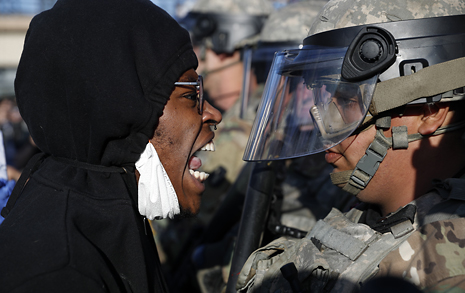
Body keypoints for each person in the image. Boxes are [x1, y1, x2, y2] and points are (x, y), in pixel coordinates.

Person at [235, 0, 465, 292]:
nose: (324, 125)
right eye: (325, 96)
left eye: (346, 99)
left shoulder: (447, 265)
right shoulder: (363, 212)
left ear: (431, 110)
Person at [0, 0, 222, 292]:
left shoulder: (107, 213)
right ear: (121, 110)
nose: (213, 114)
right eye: (191, 95)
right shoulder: (60, 273)